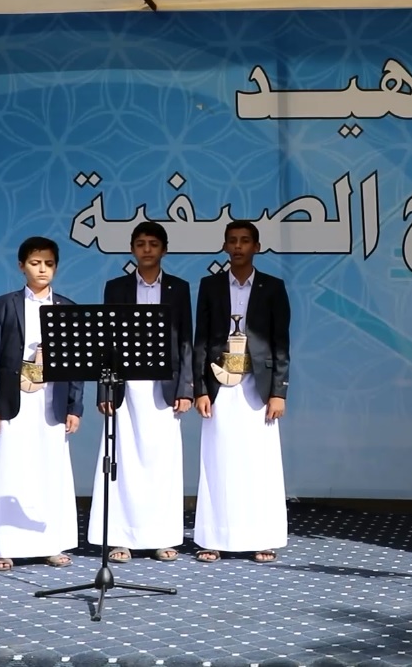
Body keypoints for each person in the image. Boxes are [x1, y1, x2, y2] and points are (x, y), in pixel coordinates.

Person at [0, 237, 84, 572]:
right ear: (22, 266)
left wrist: (74, 407)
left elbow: (75, 363)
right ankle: (3, 546)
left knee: (50, 471)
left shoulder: (67, 307)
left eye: (49, 264)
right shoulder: (5, 305)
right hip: (13, 399)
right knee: (9, 468)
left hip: (52, 400)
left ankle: (49, 543)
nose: (42, 270)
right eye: (35, 263)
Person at [90, 221, 194, 563]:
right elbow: (105, 342)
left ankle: (162, 537)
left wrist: (186, 388)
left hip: (164, 387)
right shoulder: (116, 287)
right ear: (132, 249)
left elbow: (186, 340)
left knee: (162, 463)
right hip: (125, 387)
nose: (147, 249)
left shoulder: (179, 288)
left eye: (153, 244)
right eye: (140, 244)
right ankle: (121, 538)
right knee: (123, 462)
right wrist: (104, 390)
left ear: (164, 249)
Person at [192, 221, 291, 563]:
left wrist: (279, 392)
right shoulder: (210, 286)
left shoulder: (273, 287)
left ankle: (262, 537)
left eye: (245, 241)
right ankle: (213, 538)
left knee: (258, 463)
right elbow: (201, 340)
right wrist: (200, 389)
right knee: (218, 461)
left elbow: (281, 343)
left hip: (258, 388)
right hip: (219, 384)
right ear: (224, 246)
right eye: (232, 241)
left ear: (256, 247)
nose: (238, 246)